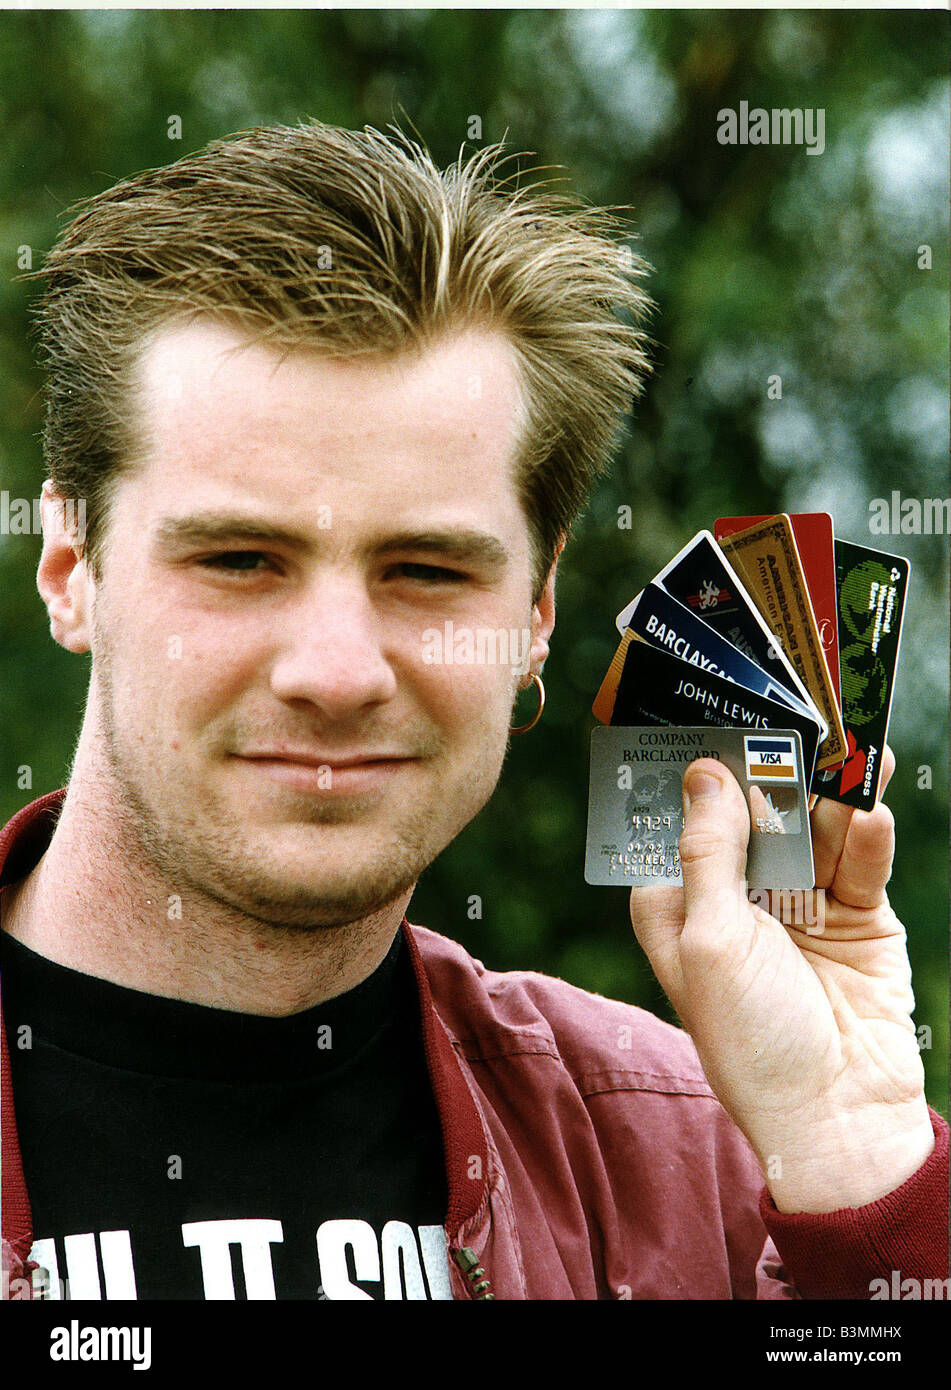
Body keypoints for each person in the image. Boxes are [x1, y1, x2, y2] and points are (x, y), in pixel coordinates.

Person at [0, 120, 946, 1302]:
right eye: (241, 559)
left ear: (538, 611)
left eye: (428, 572)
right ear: (68, 569)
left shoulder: (692, 1163)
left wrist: (853, 1164)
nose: (338, 673)